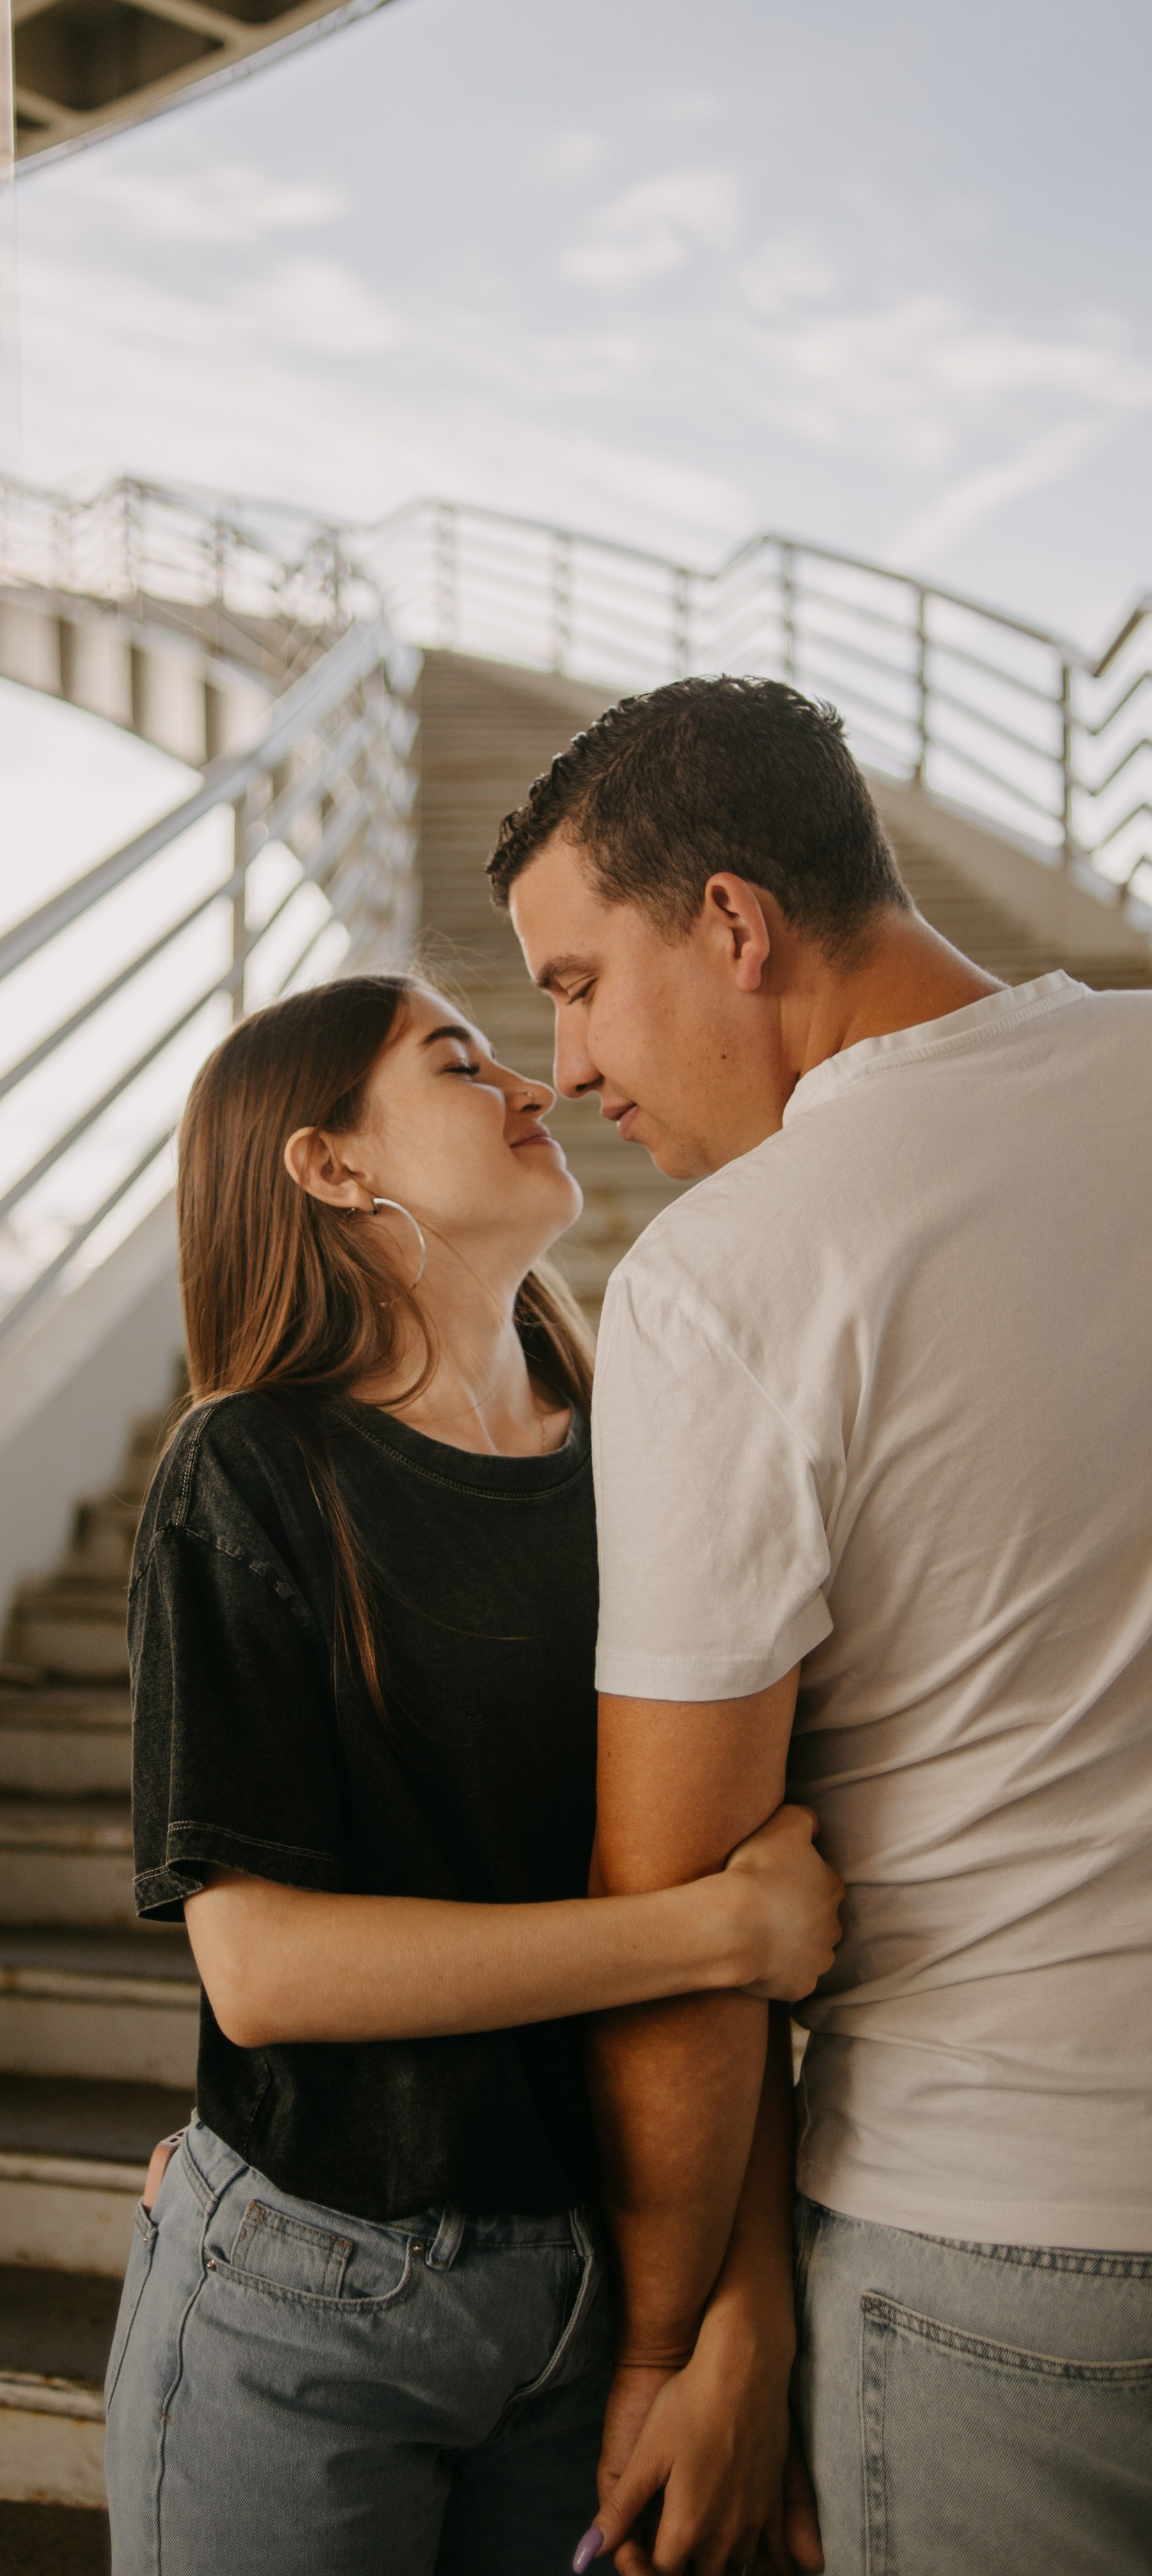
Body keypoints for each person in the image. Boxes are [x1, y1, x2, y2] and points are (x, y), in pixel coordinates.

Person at [491, 674, 1152, 2576]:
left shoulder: (737, 1273)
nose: (566, 1064)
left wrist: (683, 2336)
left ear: (731, 921)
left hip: (1001, 2242)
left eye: (577, 978)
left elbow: (672, 1896)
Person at [102, 972, 844, 2576]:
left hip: (590, 2304)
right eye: (457, 1058)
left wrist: (742, 2312)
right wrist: (714, 1933)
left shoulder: (639, 1444)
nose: (533, 1078)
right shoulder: (244, 1472)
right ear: (329, 1166)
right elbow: (264, 1971)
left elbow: (737, 1932)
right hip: (309, 2299)